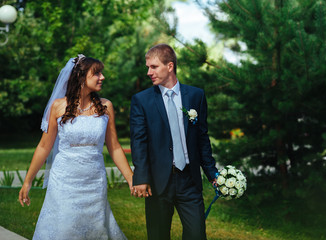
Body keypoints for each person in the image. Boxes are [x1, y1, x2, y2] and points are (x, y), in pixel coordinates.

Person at [19, 55, 132, 240]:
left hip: (95, 182)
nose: (102, 77)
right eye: (97, 73)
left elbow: (115, 148)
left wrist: (130, 178)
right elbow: (43, 146)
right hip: (64, 182)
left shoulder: (106, 106)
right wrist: (28, 181)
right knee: (65, 229)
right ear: (81, 76)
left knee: (95, 230)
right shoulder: (57, 107)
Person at [130, 43, 218, 240]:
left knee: (197, 234)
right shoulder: (141, 100)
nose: (148, 72)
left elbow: (202, 138)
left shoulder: (196, 95)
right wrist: (142, 178)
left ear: (170, 66)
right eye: (147, 67)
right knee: (158, 235)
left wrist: (213, 173)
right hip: (158, 181)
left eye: (153, 67)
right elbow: (139, 142)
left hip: (189, 180)